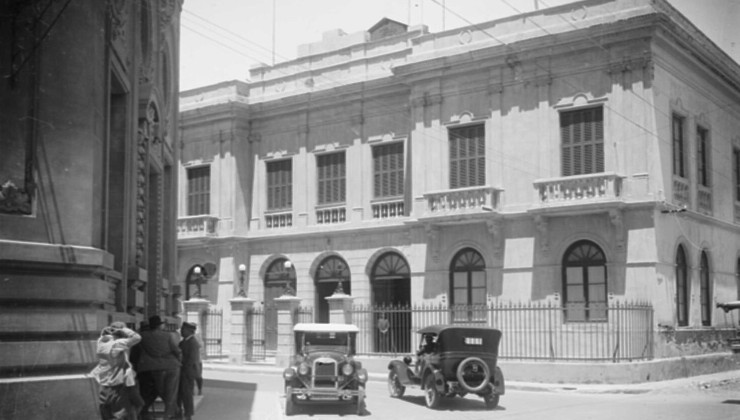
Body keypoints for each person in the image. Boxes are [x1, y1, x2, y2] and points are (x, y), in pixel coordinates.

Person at [89, 321, 142, 419]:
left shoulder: (101, 342)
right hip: (117, 386)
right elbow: (137, 338)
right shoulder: (116, 344)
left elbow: (102, 335)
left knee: (107, 414)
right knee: (121, 414)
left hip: (103, 385)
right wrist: (125, 330)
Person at [137, 315, 182, 420]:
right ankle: (171, 415)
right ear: (159, 326)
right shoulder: (167, 335)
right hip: (172, 366)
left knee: (162, 392)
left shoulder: (142, 336)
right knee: (171, 393)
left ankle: (172, 413)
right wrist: (179, 361)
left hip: (154, 368)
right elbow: (177, 351)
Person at [177, 322, 201, 420]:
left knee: (187, 394)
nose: (181, 331)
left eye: (183, 329)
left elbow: (191, 360)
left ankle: (188, 414)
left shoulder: (192, 342)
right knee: (182, 393)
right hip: (184, 371)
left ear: (190, 331)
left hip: (188, 372)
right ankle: (182, 413)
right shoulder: (184, 342)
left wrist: (184, 370)